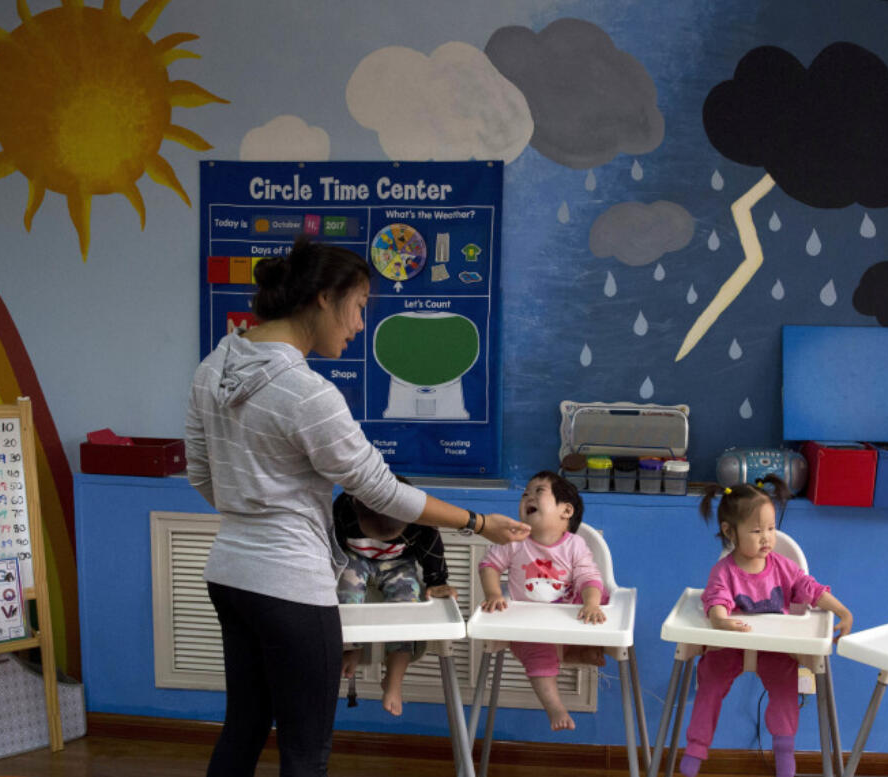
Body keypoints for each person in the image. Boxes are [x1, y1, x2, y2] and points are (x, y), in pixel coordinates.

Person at [185, 235, 529, 777]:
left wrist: (253, 511)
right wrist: (478, 523)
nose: (361, 324)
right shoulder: (307, 393)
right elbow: (382, 491)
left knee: (245, 727)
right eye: (361, 306)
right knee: (305, 752)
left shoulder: (214, 367)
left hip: (229, 573)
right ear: (325, 296)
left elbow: (202, 473)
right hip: (290, 584)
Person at [681, 476, 854, 777]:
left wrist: (841, 610)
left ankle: (785, 756)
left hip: (774, 647)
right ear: (729, 532)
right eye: (756, 530)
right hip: (733, 643)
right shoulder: (724, 572)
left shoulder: (783, 568)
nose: (767, 538)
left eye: (772, 528)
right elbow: (716, 600)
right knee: (710, 681)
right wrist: (721, 620)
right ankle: (695, 752)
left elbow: (810, 588)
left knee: (785, 690)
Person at [477, 470, 607, 731]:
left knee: (601, 594)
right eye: (526, 492)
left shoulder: (575, 545)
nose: (528, 496)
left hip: (569, 617)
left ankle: (583, 646)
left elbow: (587, 576)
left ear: (566, 511)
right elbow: (489, 565)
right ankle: (555, 706)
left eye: (539, 491)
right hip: (531, 625)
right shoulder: (514, 541)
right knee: (538, 655)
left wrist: (591, 603)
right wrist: (493, 594)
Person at [333, 480, 456, 716]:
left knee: (405, 611)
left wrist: (437, 581)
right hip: (354, 558)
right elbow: (333, 546)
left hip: (399, 564)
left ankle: (394, 678)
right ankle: (352, 649)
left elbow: (432, 549)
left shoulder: (420, 519)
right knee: (346, 591)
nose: (384, 541)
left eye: (391, 536)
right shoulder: (343, 508)